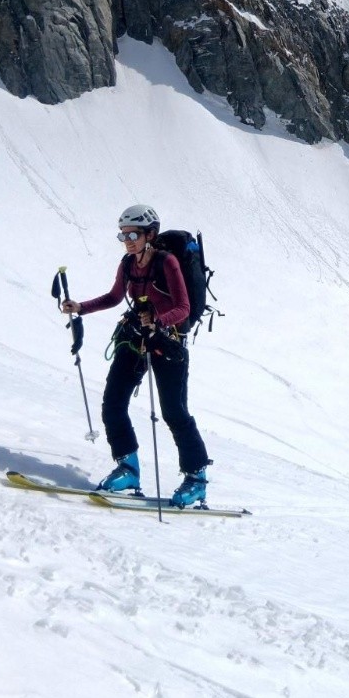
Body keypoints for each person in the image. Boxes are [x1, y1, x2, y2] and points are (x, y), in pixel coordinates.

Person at [62, 203, 212, 508]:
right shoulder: (128, 264)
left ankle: (196, 480)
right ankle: (128, 468)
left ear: (150, 234)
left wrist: (158, 322)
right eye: (123, 235)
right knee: (113, 402)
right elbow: (115, 296)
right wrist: (81, 307)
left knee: (174, 412)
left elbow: (183, 308)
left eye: (133, 234)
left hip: (168, 341)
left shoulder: (167, 262)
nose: (127, 241)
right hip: (135, 337)